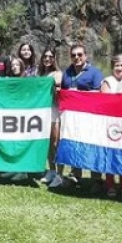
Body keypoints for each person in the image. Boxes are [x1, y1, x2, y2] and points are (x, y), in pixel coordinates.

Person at [60, 44, 104, 190]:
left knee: (93, 145)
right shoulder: (67, 73)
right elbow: (63, 92)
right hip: (73, 118)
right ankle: (75, 175)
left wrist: (79, 94)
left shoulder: (95, 72)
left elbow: (100, 93)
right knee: (75, 144)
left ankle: (97, 179)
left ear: (85, 56)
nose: (77, 58)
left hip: (91, 117)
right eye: (73, 55)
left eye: (80, 55)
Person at [100, 54, 122, 197]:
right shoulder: (107, 82)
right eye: (117, 66)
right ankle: (110, 185)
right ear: (112, 67)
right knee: (110, 154)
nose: (120, 68)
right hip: (110, 123)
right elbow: (105, 102)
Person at [38, 48, 64, 188]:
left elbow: (58, 88)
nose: (47, 59)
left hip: (54, 110)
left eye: (50, 57)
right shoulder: (40, 74)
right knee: (48, 143)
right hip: (43, 111)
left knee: (56, 142)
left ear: (54, 59)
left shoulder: (57, 74)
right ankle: (52, 170)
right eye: (45, 56)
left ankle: (60, 174)